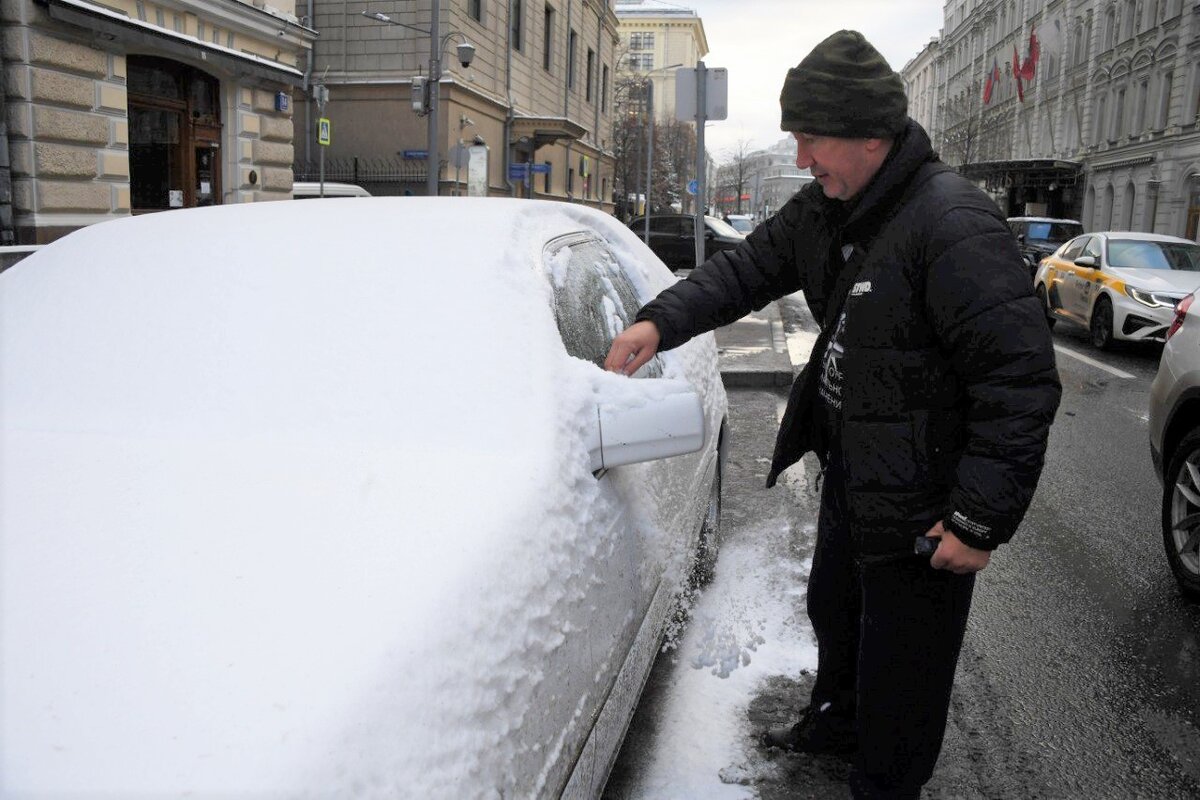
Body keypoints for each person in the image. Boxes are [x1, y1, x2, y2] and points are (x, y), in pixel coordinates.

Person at [603, 30, 1061, 800]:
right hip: (855, 472)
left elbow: (1019, 382)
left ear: (871, 136)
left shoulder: (953, 225)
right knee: (837, 610)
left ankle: (885, 782)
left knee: (904, 667)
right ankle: (838, 720)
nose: (804, 159)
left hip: (925, 503)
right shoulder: (825, 209)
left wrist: (979, 520)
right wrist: (659, 321)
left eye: (813, 140)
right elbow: (745, 269)